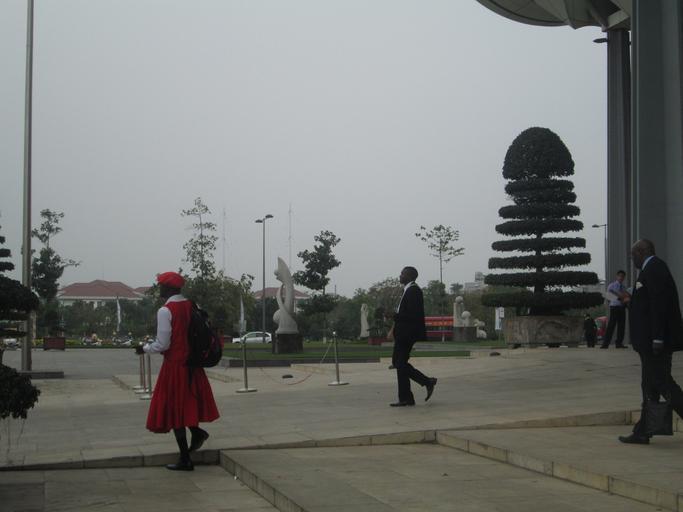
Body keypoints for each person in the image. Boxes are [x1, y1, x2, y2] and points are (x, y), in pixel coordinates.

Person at [135, 271, 219, 469]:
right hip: (192, 365)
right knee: (187, 405)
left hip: (175, 366)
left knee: (175, 410)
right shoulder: (192, 306)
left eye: (161, 285)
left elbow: (163, 344)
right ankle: (195, 434)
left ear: (168, 288)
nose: (159, 289)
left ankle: (185, 459)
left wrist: (144, 348)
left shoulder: (165, 311)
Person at [619, 240, 683, 444]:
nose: (632, 260)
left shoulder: (655, 268)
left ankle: (643, 431)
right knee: (649, 385)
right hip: (648, 342)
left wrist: (657, 337)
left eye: (633, 256)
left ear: (641, 252)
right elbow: (647, 304)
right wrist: (631, 302)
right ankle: (643, 431)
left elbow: (659, 305)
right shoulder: (651, 269)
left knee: (661, 382)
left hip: (655, 342)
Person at [388, 266, 437, 407]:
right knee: (398, 363)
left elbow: (413, 315)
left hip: (407, 334)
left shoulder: (413, 291)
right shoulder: (408, 290)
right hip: (403, 333)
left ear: (409, 276)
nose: (400, 276)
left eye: (402, 273)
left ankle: (424, 383)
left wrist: (394, 315)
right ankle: (409, 396)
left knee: (399, 363)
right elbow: (405, 314)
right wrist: (393, 324)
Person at [601, 270, 628, 349]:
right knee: (611, 325)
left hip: (622, 307)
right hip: (614, 307)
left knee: (621, 326)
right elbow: (608, 297)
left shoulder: (624, 287)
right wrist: (618, 298)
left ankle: (619, 343)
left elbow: (625, 298)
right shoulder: (611, 285)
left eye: (622, 276)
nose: (621, 278)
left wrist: (623, 300)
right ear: (617, 276)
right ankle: (605, 344)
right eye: (620, 276)